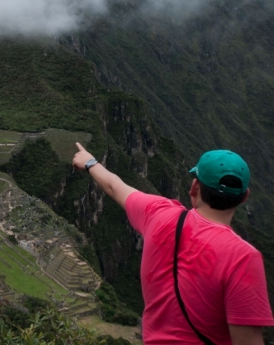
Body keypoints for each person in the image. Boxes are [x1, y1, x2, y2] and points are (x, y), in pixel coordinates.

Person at [72, 143, 274, 345]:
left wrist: (90, 161)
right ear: (244, 197)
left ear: (194, 187)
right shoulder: (243, 258)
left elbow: (114, 187)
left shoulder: (158, 215)